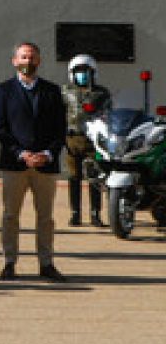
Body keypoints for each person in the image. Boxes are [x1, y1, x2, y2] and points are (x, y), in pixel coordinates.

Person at [0, 41, 68, 282]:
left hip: (45, 164)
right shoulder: (3, 90)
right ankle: (9, 262)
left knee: (45, 217)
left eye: (32, 57)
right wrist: (21, 153)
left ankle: (46, 263)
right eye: (23, 57)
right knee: (10, 216)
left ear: (39, 61)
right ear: (14, 61)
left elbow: (60, 129)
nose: (28, 62)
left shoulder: (52, 91)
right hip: (15, 164)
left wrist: (47, 153)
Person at [61, 53, 111, 227]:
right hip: (72, 139)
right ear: (72, 73)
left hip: (93, 141)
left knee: (94, 177)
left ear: (93, 72)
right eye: (78, 71)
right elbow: (60, 115)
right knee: (74, 177)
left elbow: (108, 114)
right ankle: (75, 213)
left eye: (86, 71)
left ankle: (95, 214)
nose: (82, 74)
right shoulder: (65, 91)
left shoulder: (101, 93)